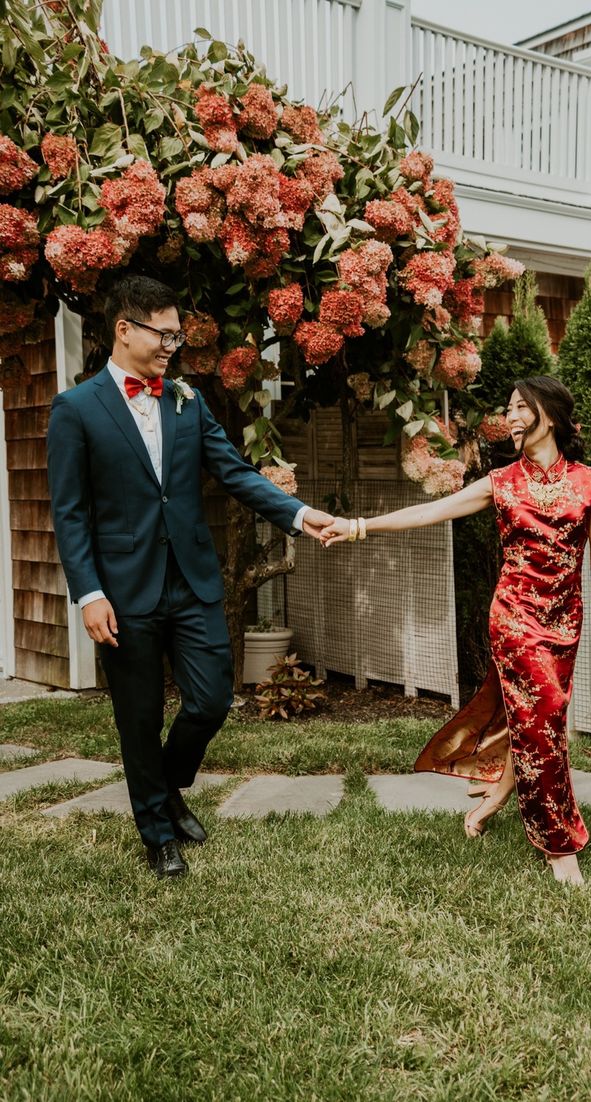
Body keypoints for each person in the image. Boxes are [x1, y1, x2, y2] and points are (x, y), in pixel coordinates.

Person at [47, 275, 333, 879]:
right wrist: (90, 593)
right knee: (139, 715)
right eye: (164, 333)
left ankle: (168, 784)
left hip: (193, 581)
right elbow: (70, 513)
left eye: (177, 335)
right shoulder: (76, 410)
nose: (172, 345)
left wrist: (299, 515)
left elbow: (234, 472)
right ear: (125, 329)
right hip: (123, 591)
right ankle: (156, 831)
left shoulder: (187, 400)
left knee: (209, 700)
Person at [321, 376, 591, 886]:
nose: (509, 417)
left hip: (565, 623)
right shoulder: (502, 481)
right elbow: (431, 511)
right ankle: (559, 846)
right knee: (543, 721)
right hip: (513, 618)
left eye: (519, 408)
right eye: (507, 408)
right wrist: (358, 526)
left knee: (536, 722)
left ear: (547, 416)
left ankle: (494, 798)